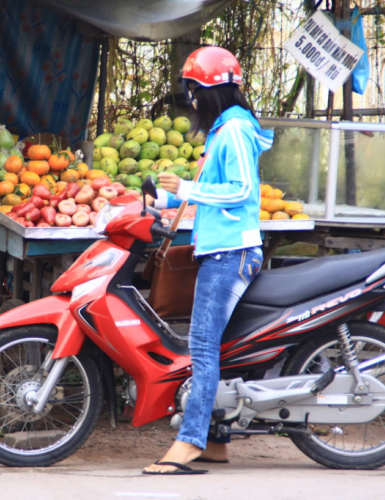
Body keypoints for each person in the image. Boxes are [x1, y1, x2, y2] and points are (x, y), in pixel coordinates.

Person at [143, 47, 273, 475]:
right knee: (217, 348)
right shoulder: (225, 129)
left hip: (230, 252)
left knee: (201, 347)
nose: (191, 100)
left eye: (193, 91)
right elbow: (211, 189)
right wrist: (163, 196)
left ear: (206, 91)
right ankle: (217, 442)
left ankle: (190, 441)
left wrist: (186, 189)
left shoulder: (234, 130)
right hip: (221, 247)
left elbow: (240, 190)